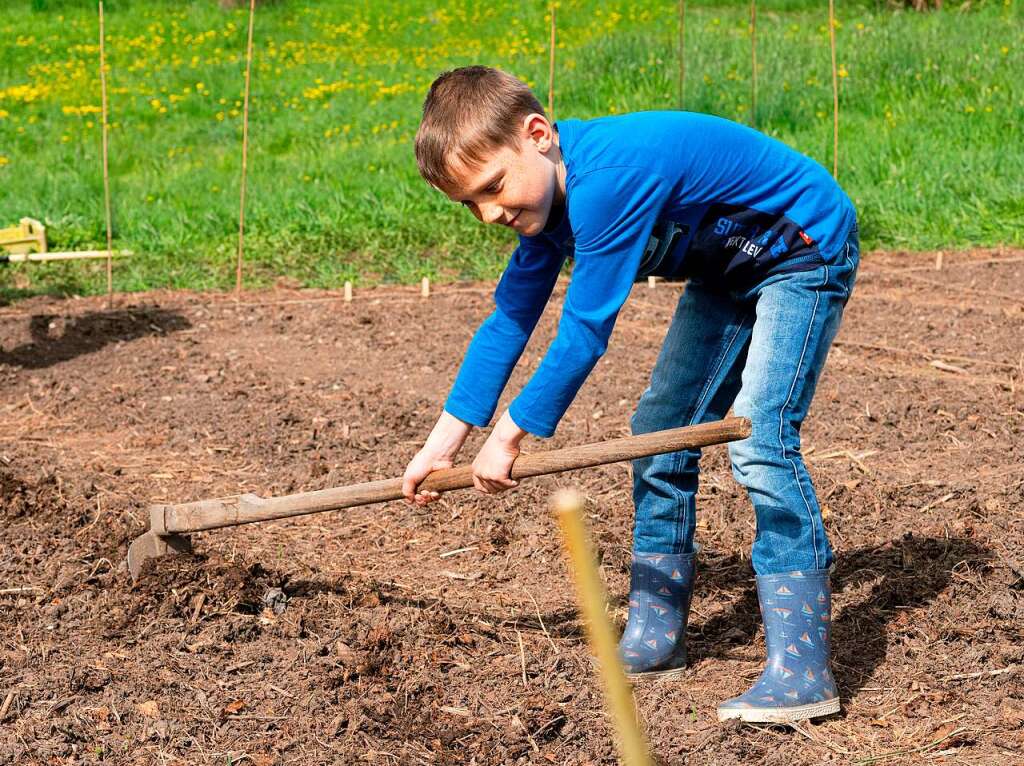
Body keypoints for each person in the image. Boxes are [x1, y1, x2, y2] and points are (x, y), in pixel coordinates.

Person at [401, 66, 858, 724]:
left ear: (538, 135)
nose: (490, 213)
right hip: (728, 268)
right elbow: (508, 323)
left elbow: (583, 334)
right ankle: (651, 633)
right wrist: (438, 449)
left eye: (493, 187)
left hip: (801, 246)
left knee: (759, 440)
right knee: (658, 431)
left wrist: (506, 438)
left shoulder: (608, 181)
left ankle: (803, 668)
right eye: (470, 203)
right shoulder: (544, 212)